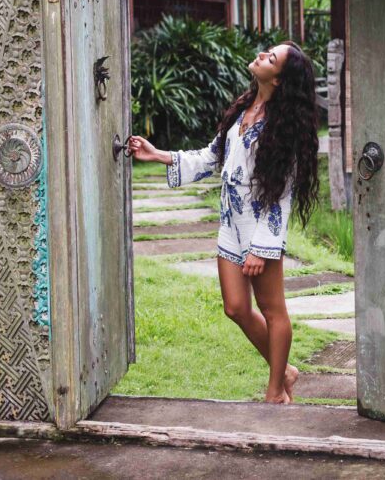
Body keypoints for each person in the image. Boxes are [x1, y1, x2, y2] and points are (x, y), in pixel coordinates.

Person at [128, 41, 319, 404]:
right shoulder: (243, 109)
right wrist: (159, 155)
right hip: (230, 225)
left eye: (271, 58)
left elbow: (282, 194)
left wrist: (261, 248)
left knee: (273, 310)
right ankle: (286, 370)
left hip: (260, 228)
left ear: (279, 79)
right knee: (234, 307)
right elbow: (211, 156)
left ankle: (276, 390)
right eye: (266, 52)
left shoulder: (285, 126)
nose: (262, 55)